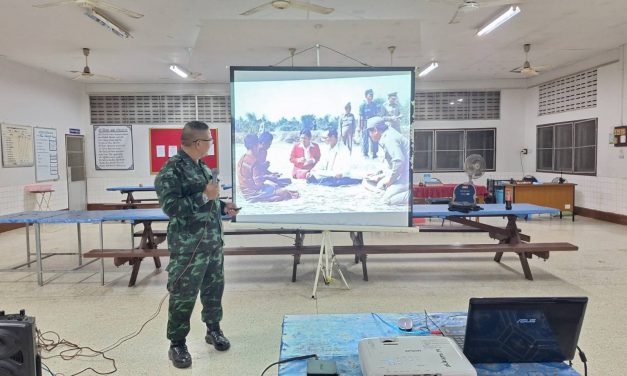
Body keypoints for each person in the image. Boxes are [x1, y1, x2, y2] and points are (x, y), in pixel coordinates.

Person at [154, 121, 239, 369]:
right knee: (184, 295)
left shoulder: (200, 166)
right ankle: (177, 344)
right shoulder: (172, 171)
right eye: (209, 141)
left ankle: (213, 329)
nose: (212, 145)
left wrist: (223, 206)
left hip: (211, 243)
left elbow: (209, 201)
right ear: (198, 143)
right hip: (188, 248)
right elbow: (172, 208)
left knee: (214, 290)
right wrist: (205, 195)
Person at [364, 116, 410, 205]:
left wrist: (390, 180)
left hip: (407, 175)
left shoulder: (388, 138)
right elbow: (392, 164)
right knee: (369, 183)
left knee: (385, 201)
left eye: (370, 131)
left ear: (376, 130)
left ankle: (414, 195)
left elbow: (399, 161)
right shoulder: (388, 133)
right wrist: (379, 174)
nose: (369, 134)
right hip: (403, 172)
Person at [238, 134, 298, 202]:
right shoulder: (254, 161)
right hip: (252, 193)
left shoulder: (242, 158)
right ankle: (263, 199)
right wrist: (268, 177)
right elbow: (258, 183)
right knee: (284, 192)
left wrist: (268, 174)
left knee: (280, 188)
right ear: (255, 145)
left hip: (245, 191)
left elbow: (253, 175)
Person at [359, 89, 380, 159]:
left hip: (373, 123)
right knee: (365, 139)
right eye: (370, 95)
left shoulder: (374, 105)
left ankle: (374, 153)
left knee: (374, 138)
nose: (371, 96)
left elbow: (376, 114)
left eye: (372, 95)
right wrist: (361, 126)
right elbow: (361, 116)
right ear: (366, 96)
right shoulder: (362, 105)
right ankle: (365, 154)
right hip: (365, 123)